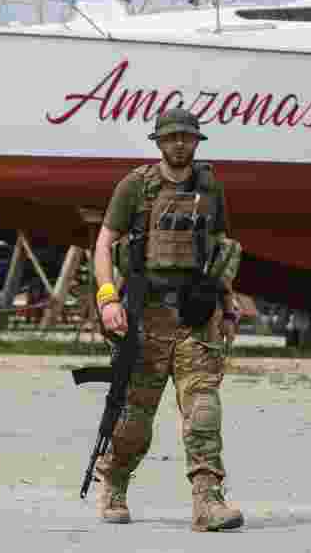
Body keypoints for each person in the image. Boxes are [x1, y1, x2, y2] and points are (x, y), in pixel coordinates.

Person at [92, 107, 244, 532]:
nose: (180, 144)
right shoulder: (135, 187)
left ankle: (207, 502)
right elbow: (104, 244)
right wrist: (107, 299)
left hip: (197, 316)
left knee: (203, 409)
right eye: (171, 137)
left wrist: (229, 306)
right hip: (145, 317)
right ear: (158, 142)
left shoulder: (210, 187)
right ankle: (115, 481)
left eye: (187, 137)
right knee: (135, 418)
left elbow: (221, 250)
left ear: (197, 142)